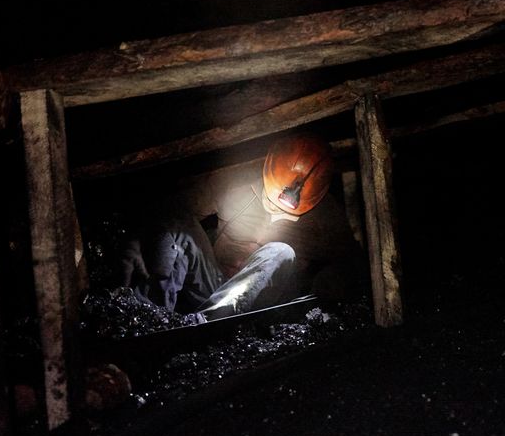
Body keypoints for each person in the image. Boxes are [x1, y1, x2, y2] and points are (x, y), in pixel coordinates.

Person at [118, 132, 366, 320]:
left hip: (267, 304)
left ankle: (203, 327)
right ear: (268, 170)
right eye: (275, 195)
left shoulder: (326, 217)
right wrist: (140, 242)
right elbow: (173, 210)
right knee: (178, 223)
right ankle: (149, 317)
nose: (281, 203)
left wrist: (329, 282)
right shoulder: (234, 182)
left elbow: (353, 261)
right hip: (213, 284)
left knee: (280, 251)